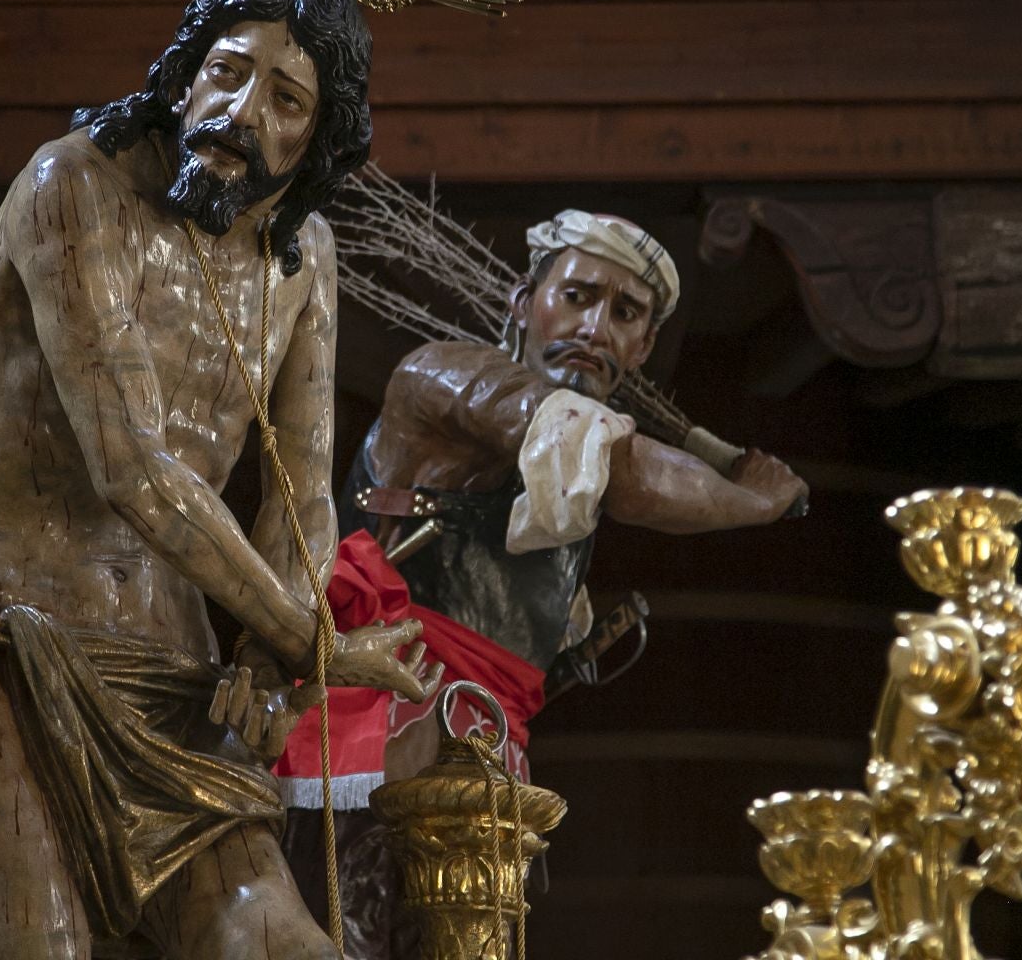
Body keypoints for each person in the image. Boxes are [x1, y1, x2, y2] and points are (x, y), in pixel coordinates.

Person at [0, 0, 437, 960]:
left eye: (285, 97)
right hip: (7, 642)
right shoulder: (75, 183)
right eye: (227, 70)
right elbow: (129, 463)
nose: (238, 109)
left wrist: (274, 668)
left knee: (283, 944)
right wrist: (311, 641)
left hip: (177, 681)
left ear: (317, 136)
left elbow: (302, 490)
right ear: (184, 69)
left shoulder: (303, 255)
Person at [277, 209, 810, 958]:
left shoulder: (572, 465)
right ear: (525, 303)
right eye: (579, 296)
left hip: (482, 760)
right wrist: (752, 500)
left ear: (646, 344)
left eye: (625, 312)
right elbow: (622, 470)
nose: (596, 326)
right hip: (380, 742)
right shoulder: (445, 378)